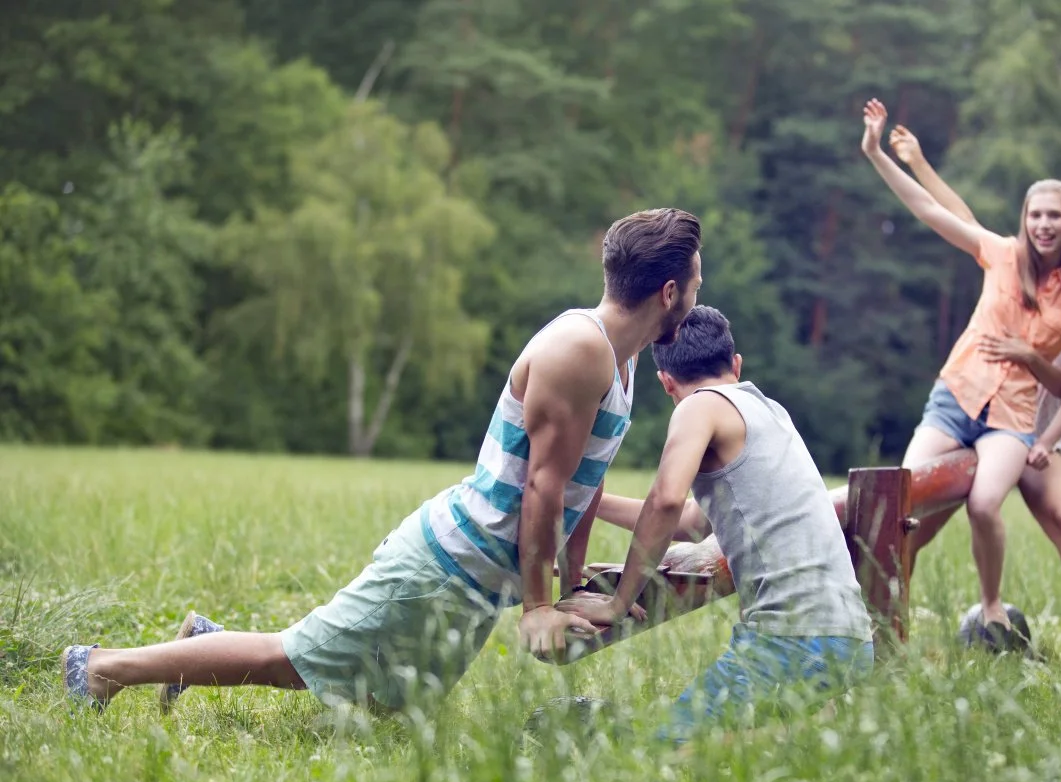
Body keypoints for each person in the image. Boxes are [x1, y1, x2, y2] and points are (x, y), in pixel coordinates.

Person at [61, 207, 703, 714]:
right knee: (294, 660)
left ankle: (203, 643)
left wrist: (567, 585)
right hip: (449, 563)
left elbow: (578, 488)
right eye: (697, 284)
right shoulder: (579, 349)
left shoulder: (621, 362)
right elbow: (542, 487)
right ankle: (99, 668)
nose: (698, 298)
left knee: (382, 704)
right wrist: (538, 609)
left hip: (478, 579)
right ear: (669, 290)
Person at [557, 305, 874, 745]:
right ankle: (809, 731)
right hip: (850, 636)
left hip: (794, 638)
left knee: (669, 750)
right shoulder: (768, 411)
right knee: (729, 755)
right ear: (736, 364)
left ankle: (814, 733)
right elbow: (692, 519)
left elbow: (666, 501)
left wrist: (617, 602)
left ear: (666, 382)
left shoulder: (698, 408)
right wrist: (592, 499)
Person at [859, 98, 1061, 639]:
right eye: (1036, 214)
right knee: (902, 508)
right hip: (954, 400)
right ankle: (883, 629)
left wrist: (1050, 438)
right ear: (1026, 220)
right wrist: (879, 154)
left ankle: (991, 604)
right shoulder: (1000, 254)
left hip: (1013, 420)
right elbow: (933, 212)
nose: (1044, 224)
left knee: (986, 504)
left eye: (1054, 216)